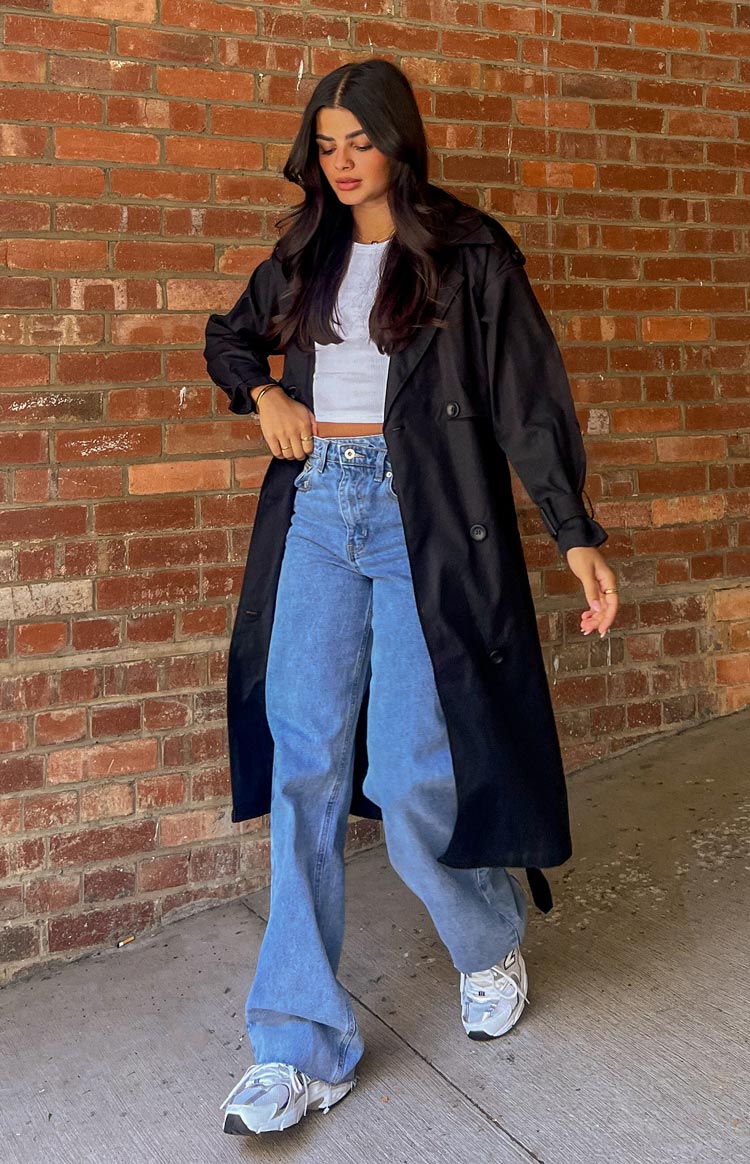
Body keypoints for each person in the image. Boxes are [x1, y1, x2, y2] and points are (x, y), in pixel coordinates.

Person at [204, 58, 618, 1136]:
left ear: (398, 140)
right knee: (304, 765)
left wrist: (573, 537)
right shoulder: (306, 248)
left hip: (418, 523)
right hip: (318, 518)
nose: (342, 164)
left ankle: (487, 946)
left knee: (411, 778)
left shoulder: (465, 251)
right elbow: (229, 336)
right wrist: (265, 394)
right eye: (326, 144)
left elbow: (528, 400)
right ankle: (298, 1045)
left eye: (360, 142)